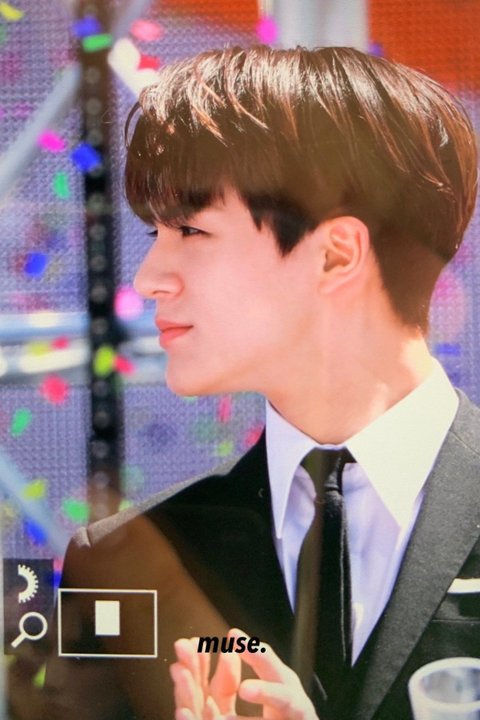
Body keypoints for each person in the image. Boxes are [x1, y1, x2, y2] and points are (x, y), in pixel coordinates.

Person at [47, 45, 480, 720]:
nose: (148, 278)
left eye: (190, 229)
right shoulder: (120, 569)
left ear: (336, 254)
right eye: (155, 233)